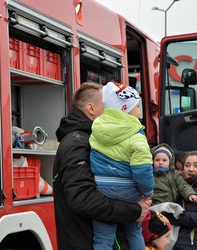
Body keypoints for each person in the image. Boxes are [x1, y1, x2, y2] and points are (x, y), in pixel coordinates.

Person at [53, 82, 148, 250]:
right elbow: (82, 199)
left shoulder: (95, 138)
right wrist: (134, 210)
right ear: (91, 109)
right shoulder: (77, 143)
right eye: (108, 104)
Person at [89, 81, 154, 250]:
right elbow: (142, 170)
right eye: (137, 107)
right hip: (129, 192)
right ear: (125, 108)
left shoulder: (97, 128)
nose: (139, 111)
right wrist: (147, 193)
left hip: (102, 190)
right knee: (134, 230)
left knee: (103, 239)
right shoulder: (136, 133)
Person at [165, 151, 197, 249]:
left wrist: (174, 215)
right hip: (173, 243)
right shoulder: (175, 185)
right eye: (187, 165)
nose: (191, 169)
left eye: (196, 166)